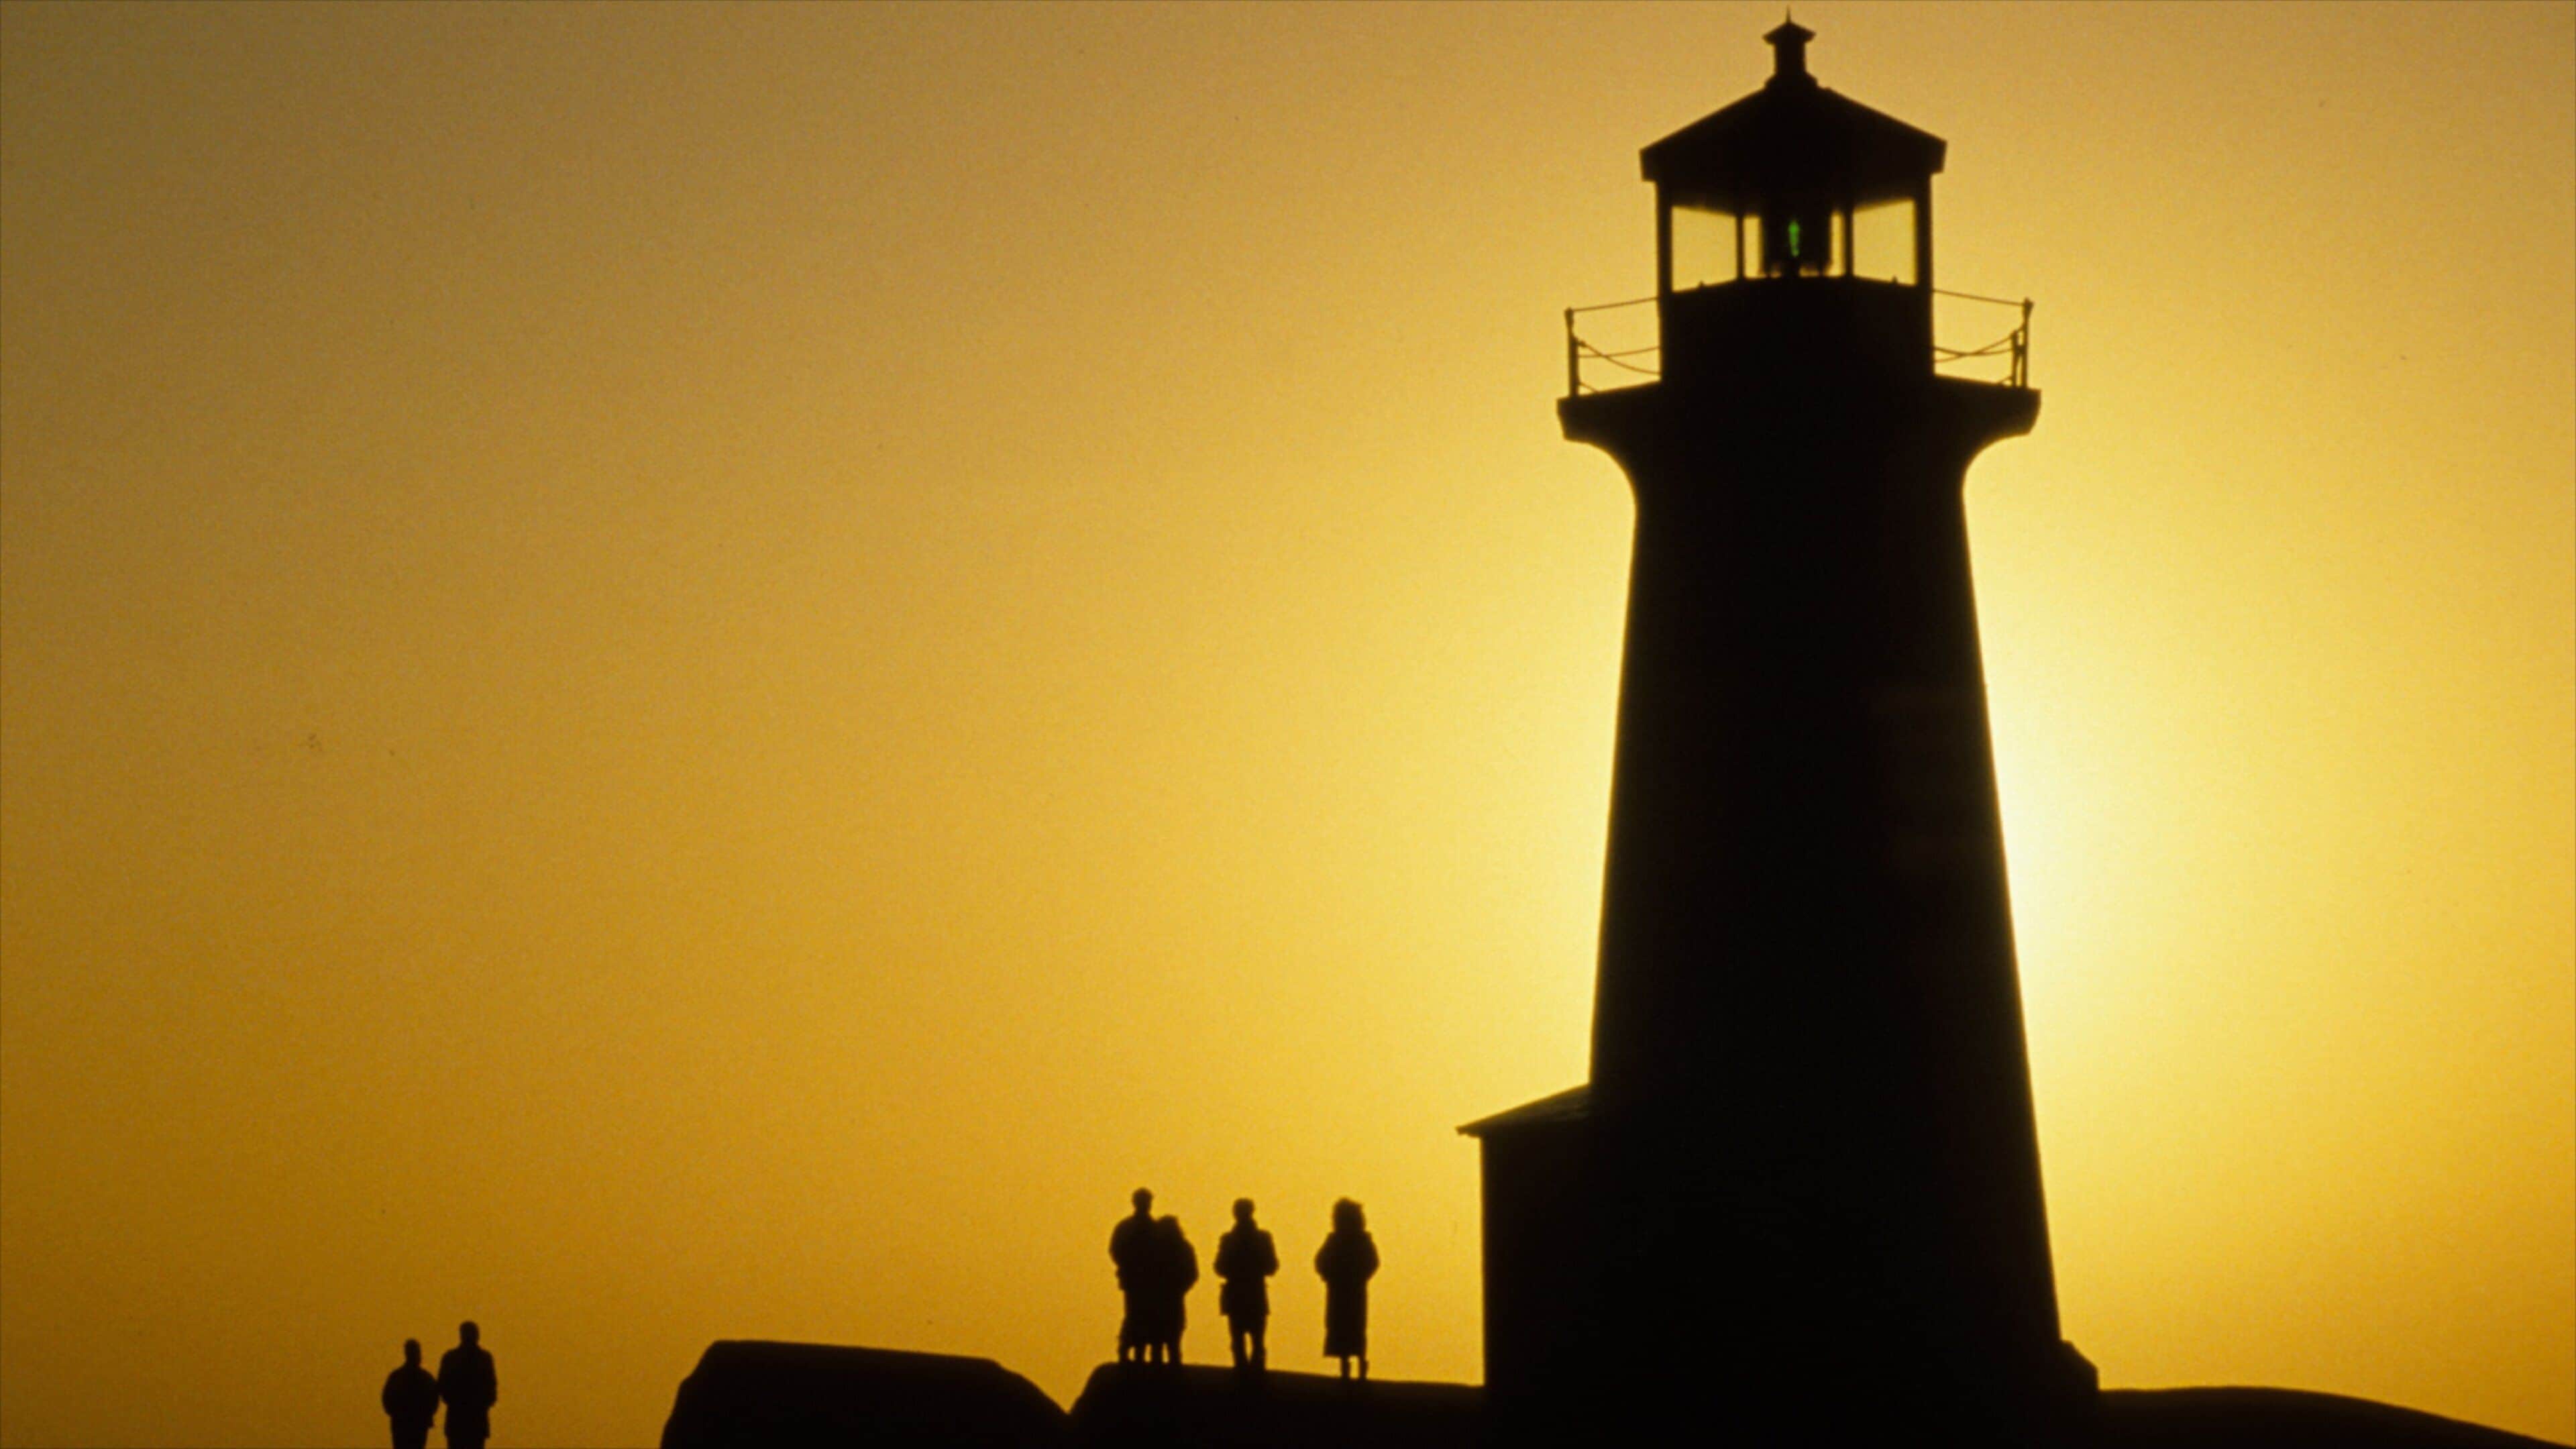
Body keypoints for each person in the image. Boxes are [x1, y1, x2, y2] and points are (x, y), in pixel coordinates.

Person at [1314, 1198, 1379, 1381]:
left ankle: (1356, 1365)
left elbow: (1372, 1263)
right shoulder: (1341, 1241)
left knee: (1352, 1326)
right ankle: (1350, 1365)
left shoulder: (1358, 1241)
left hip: (1349, 1290)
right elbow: (1320, 1262)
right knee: (1345, 1327)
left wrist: (1357, 1275)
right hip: (1344, 1290)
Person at [1213, 1198, 1279, 1371]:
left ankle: (1243, 1373)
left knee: (1240, 1340)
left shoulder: (1229, 1240)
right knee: (1256, 1340)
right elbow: (1272, 1266)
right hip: (1254, 1293)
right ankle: (1256, 1374)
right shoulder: (1262, 1238)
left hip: (1238, 1294)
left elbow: (1219, 1267)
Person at [1109, 1188, 1158, 1362]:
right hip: (1134, 1280)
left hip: (1151, 1281)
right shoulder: (1127, 1228)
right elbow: (1115, 1251)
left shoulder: (1156, 1229)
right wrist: (1129, 1266)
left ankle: (1141, 1353)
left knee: (1148, 1316)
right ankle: (1127, 1350)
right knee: (1134, 1315)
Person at [435, 1322, 498, 1449]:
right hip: (474, 1419)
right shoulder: (484, 1359)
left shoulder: (451, 1358)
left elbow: (442, 1387)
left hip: (459, 1419)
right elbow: (491, 1388)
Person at [1146, 1214, 1199, 1364]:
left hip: (1164, 1297)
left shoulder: (1154, 1248)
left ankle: (1161, 1370)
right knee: (1170, 1340)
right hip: (1169, 1298)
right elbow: (1192, 1274)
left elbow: (1192, 1273)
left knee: (1161, 1341)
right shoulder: (1182, 1248)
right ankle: (1172, 1369)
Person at [381, 1339, 439, 1449]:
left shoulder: (397, 1377)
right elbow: (434, 1400)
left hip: (402, 1424)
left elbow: (387, 1400)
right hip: (416, 1424)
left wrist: (397, 1415)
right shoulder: (425, 1378)